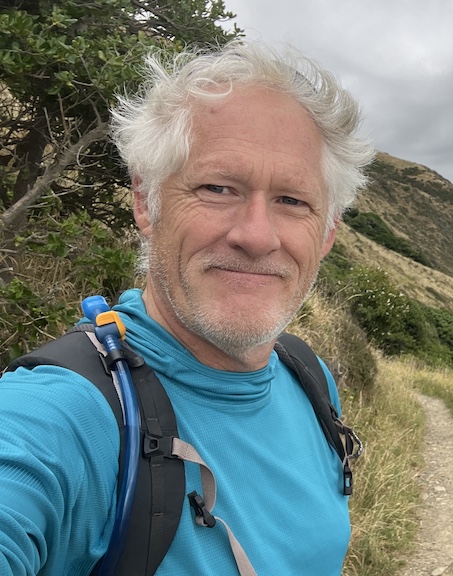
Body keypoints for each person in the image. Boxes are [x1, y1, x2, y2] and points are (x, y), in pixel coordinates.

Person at [0, 40, 375, 575]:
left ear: (329, 230)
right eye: (218, 188)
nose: (257, 236)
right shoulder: (66, 417)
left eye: (292, 200)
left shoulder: (308, 377)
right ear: (146, 201)